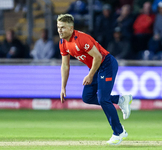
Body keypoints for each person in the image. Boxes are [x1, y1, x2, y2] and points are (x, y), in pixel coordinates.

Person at [57, 14, 133, 145]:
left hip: (106, 64)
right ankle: (120, 100)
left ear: (71, 28)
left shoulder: (81, 39)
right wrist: (63, 87)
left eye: (63, 27)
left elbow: (98, 57)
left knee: (103, 99)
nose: (59, 30)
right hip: (96, 67)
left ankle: (119, 132)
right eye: (58, 27)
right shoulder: (63, 43)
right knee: (87, 97)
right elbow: (65, 65)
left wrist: (90, 75)